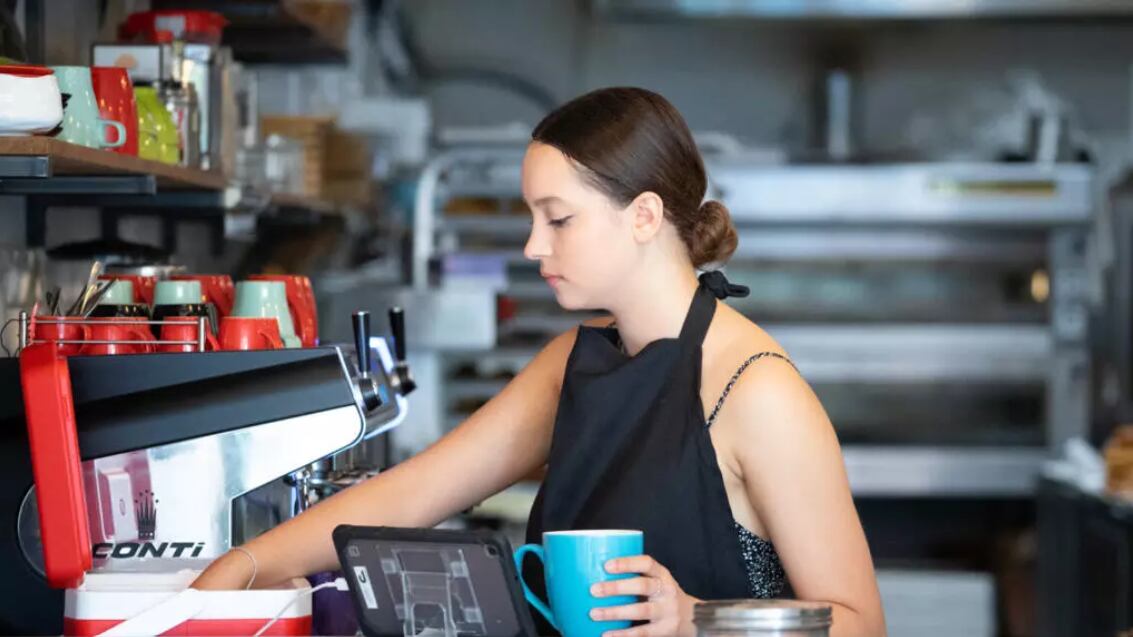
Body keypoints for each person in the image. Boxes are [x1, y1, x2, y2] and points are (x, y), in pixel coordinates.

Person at [192, 87, 886, 637]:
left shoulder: (756, 389)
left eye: (557, 219)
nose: (532, 245)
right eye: (530, 217)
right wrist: (244, 564)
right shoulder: (570, 365)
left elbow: (859, 623)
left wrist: (695, 620)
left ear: (644, 216)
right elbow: (415, 492)